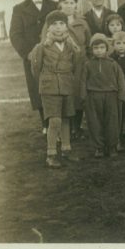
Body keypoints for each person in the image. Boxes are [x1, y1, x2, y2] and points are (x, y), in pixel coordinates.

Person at [29, 10, 81, 167]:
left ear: (66, 26)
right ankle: (51, 154)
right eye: (54, 24)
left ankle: (66, 150)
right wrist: (48, 81)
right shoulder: (41, 47)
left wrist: (69, 80)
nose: (58, 27)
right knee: (55, 120)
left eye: (62, 24)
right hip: (49, 87)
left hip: (66, 84)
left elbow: (76, 65)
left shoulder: (71, 45)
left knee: (66, 118)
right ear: (48, 27)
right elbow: (36, 69)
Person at [9, 0, 58, 131]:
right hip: (32, 56)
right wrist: (27, 53)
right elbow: (15, 34)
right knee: (38, 88)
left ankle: (60, 122)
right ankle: (46, 123)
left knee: (57, 85)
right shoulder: (19, 9)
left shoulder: (54, 5)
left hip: (54, 54)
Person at [80, 33, 125, 158]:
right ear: (92, 49)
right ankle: (99, 147)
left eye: (101, 47)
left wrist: (121, 96)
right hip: (93, 96)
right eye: (95, 48)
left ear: (107, 48)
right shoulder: (88, 65)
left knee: (112, 122)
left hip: (111, 96)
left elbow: (121, 80)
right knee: (95, 122)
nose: (99, 50)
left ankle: (112, 147)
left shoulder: (113, 64)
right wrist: (84, 97)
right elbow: (83, 81)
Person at [54, 0, 91, 138]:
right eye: (65, 2)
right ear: (60, 5)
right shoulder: (53, 21)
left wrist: (87, 60)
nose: (68, 5)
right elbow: (46, 41)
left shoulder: (82, 22)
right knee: (65, 95)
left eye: (71, 2)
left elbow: (88, 43)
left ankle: (77, 127)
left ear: (76, 5)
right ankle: (65, 130)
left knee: (79, 94)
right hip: (62, 64)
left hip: (81, 64)